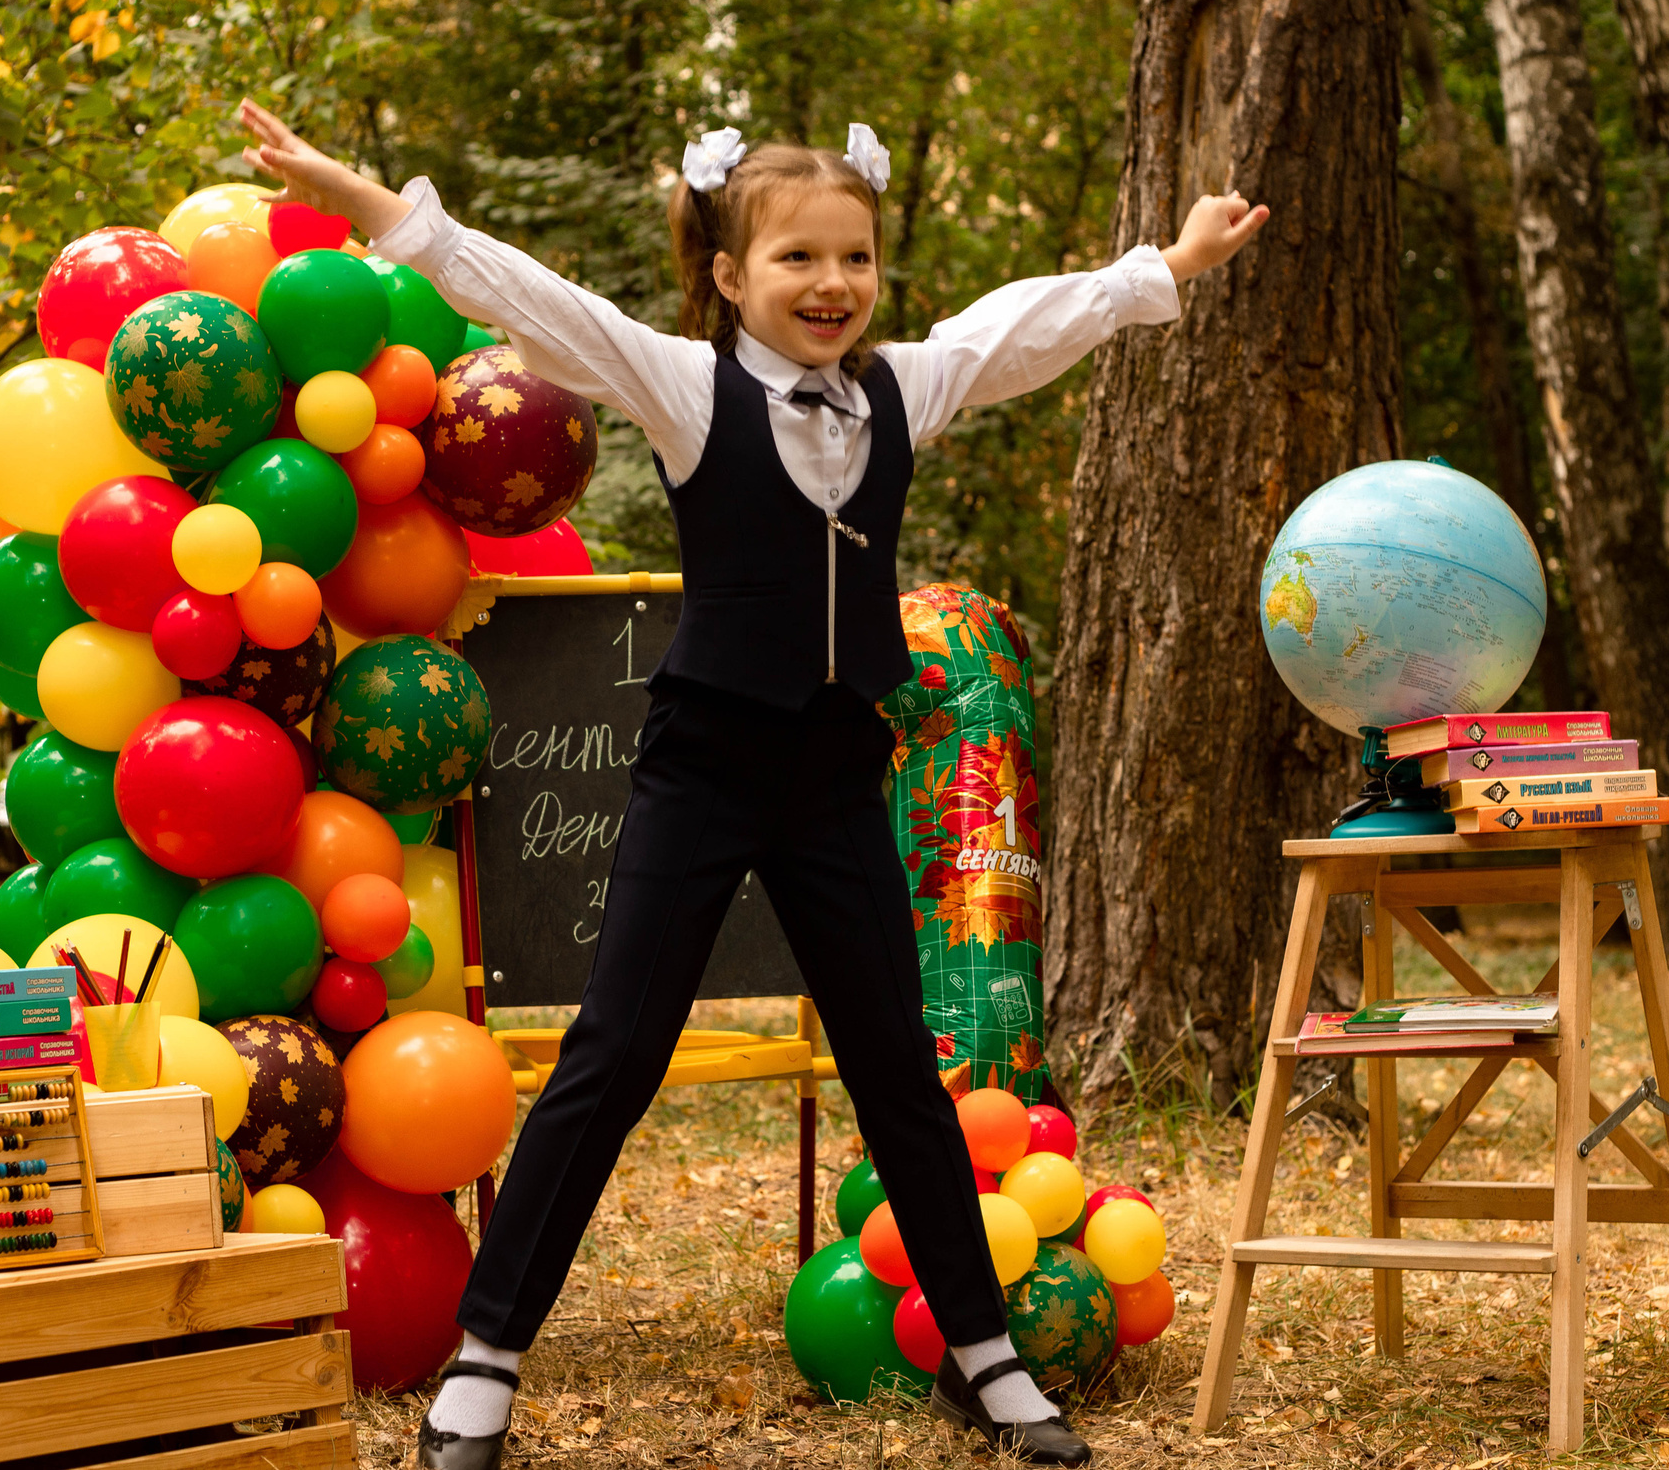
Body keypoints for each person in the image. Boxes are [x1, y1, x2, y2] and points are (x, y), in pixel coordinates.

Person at [237, 99, 1269, 1469]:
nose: (831, 284)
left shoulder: (908, 384)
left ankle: (986, 1356)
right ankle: (487, 1359)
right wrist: (371, 201)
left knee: (900, 1065)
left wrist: (1167, 270)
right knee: (613, 1058)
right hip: (709, 761)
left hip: (836, 767)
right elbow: (528, 297)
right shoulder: (682, 383)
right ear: (730, 276)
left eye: (854, 258)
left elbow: (1024, 321)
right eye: (796, 260)